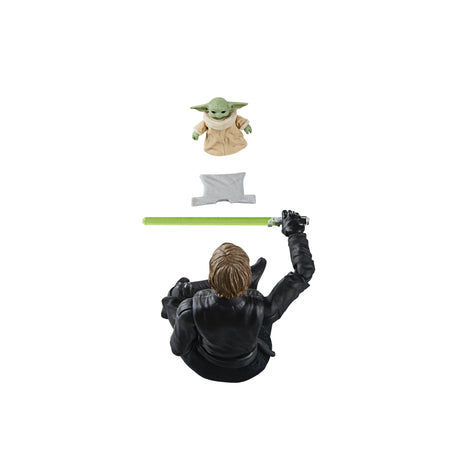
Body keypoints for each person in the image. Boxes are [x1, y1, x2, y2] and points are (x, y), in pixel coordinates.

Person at [161, 210, 315, 382]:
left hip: (207, 364)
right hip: (250, 366)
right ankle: (243, 281)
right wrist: (295, 233)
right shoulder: (263, 307)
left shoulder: (190, 309)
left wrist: (184, 315)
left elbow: (178, 348)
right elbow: (304, 273)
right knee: (267, 314)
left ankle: (186, 288)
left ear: (211, 277)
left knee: (173, 298)